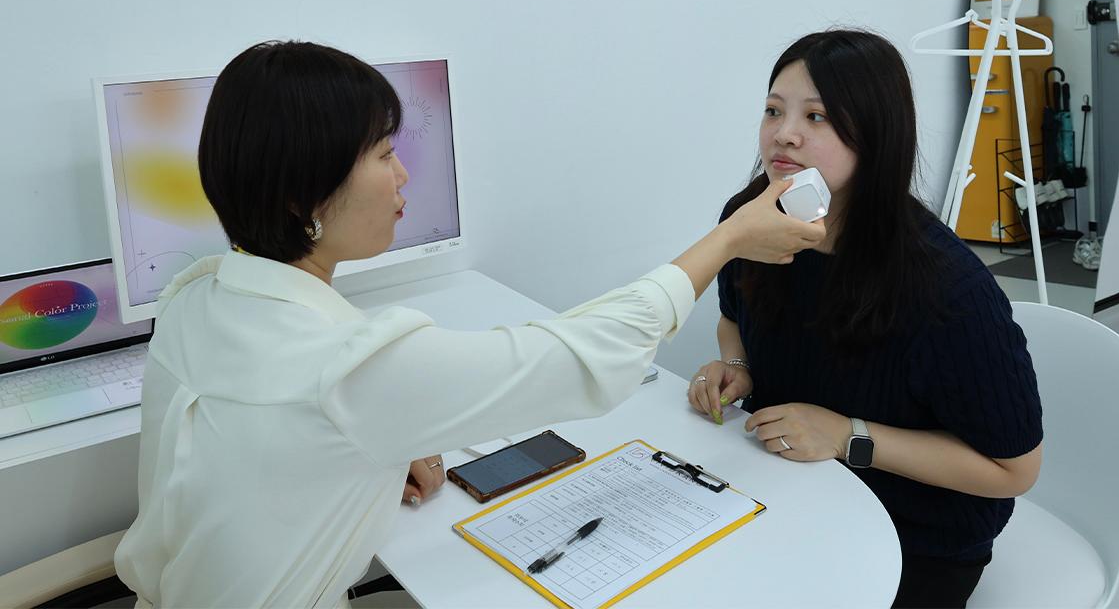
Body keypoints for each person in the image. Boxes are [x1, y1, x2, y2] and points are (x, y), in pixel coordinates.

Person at [113, 40, 824, 608]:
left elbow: (253, 458)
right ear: (306, 194)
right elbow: (583, 356)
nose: (404, 178)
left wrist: (364, 456)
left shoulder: (196, 296)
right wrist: (726, 240)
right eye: (386, 154)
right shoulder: (348, 367)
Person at [686, 29, 1043, 608]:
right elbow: (733, 316)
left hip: (916, 534)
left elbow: (1014, 470)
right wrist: (737, 365)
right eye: (774, 109)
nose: (785, 132)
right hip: (789, 486)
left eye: (818, 115)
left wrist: (848, 436)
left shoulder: (945, 288)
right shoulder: (752, 218)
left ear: (876, 135)